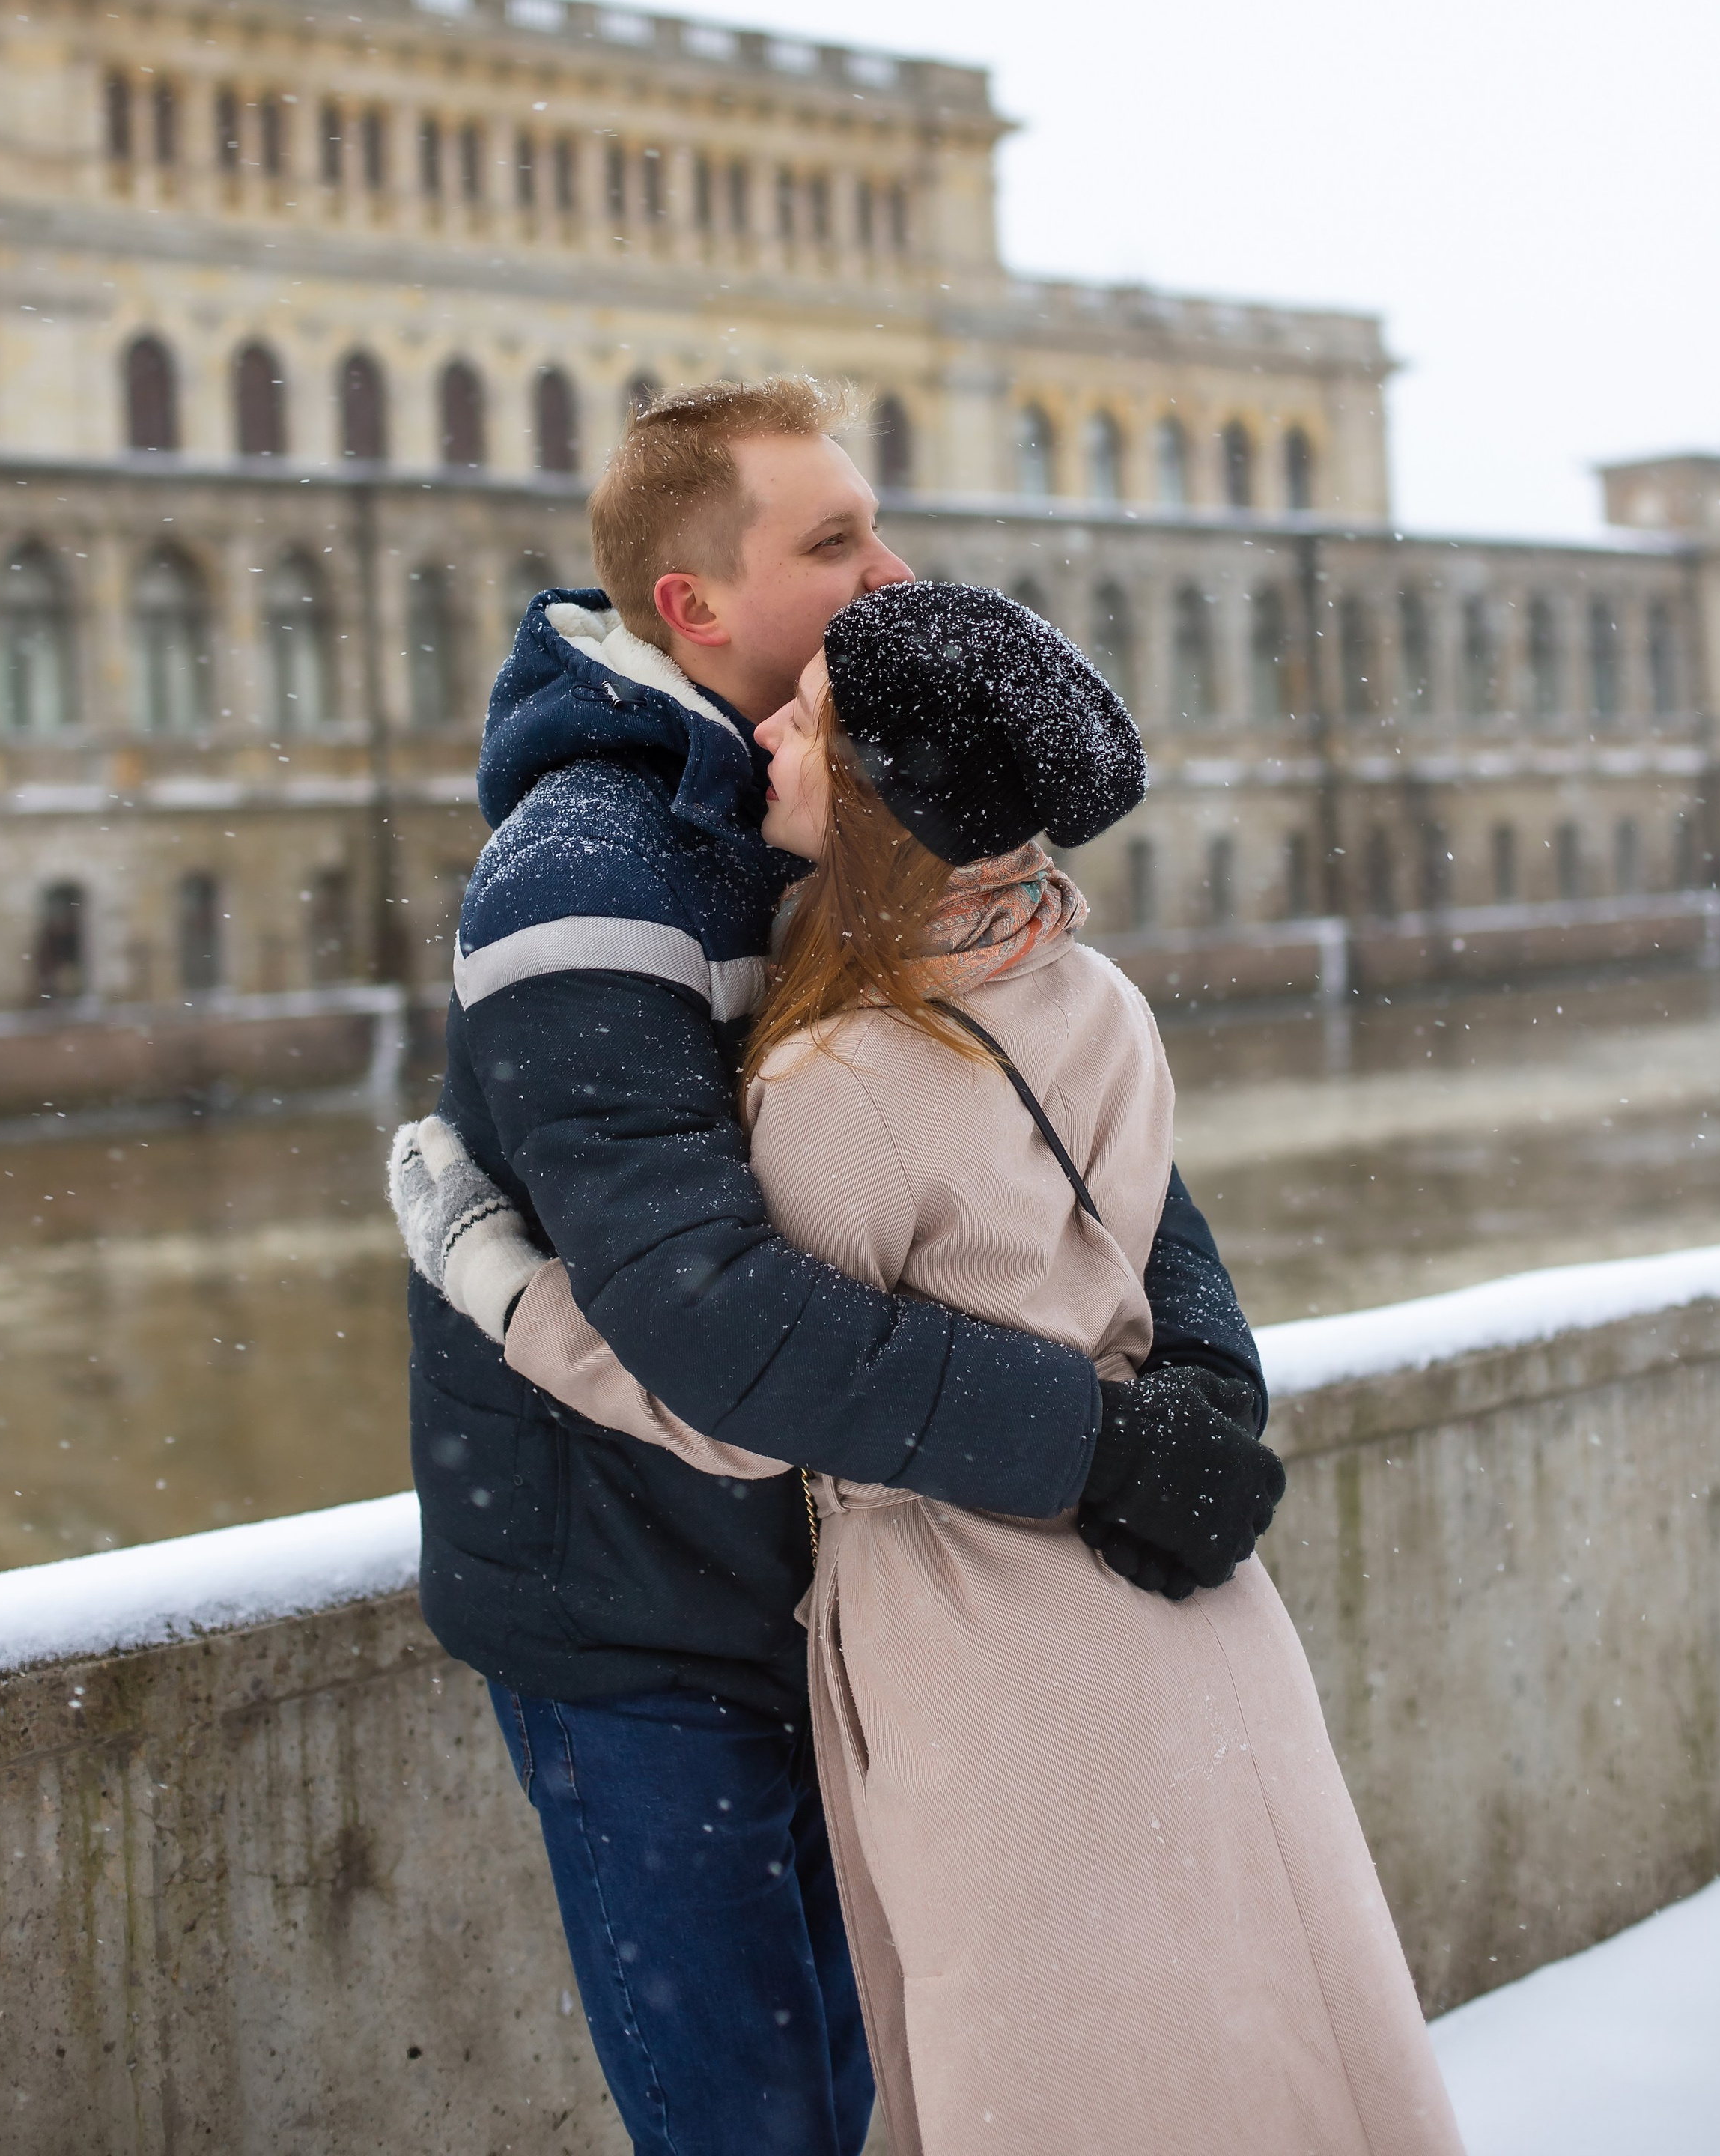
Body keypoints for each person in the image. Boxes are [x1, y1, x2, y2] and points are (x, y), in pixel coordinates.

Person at [457, 580, 1465, 2156]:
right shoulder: (1095, 995)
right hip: (1179, 1623)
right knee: (1239, 2055)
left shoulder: (844, 1077)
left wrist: (493, 1278)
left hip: (987, 1641)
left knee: (1043, 2076)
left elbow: (735, 1396)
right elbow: (1136, 1260)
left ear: (875, 806)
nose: (767, 724)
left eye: (809, 722)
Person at [389, 377, 1281, 2156]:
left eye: (875, 528)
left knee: (898, 2099)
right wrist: (1105, 1449)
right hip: (648, 1628)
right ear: (689, 607)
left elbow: (1074, 1143)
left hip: (856, 1589)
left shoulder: (840, 818)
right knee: (762, 2124)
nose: (891, 570)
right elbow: (715, 1322)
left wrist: (1200, 1372)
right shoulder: (588, 877)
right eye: (832, 543)